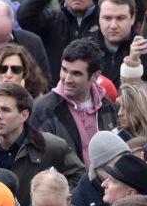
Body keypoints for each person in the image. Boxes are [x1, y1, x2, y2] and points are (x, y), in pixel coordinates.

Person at [0, 82, 85, 206]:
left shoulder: (52, 147)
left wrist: (49, 203)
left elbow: (80, 178)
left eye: (5, 110)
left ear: (24, 115)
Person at [28, 38, 119, 169]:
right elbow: (37, 162)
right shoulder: (42, 110)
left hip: (106, 185)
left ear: (95, 76)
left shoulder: (108, 108)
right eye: (64, 70)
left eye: (76, 73)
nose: (67, 79)